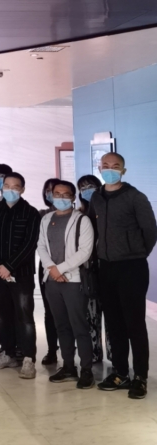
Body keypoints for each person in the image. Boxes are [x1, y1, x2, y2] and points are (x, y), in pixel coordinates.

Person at [91, 153, 156, 399]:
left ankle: (140, 376)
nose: (110, 170)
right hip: (106, 267)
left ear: (123, 171)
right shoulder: (97, 197)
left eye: (115, 166)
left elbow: (150, 231)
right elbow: (94, 229)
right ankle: (120, 372)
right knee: (114, 323)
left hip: (132, 267)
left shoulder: (135, 197)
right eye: (105, 166)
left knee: (134, 323)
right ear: (99, 168)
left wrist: (136, 252)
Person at [36, 181, 96, 389]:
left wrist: (60, 269)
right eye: (57, 193)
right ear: (51, 195)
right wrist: (52, 268)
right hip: (52, 281)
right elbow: (41, 246)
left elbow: (85, 251)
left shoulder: (82, 220)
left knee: (79, 326)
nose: (61, 197)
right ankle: (69, 366)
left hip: (73, 280)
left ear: (73, 197)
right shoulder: (46, 219)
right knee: (61, 325)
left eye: (65, 194)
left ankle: (86, 370)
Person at [0, 172, 41, 379]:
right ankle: (7, 353)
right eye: (7, 185)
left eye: (15, 186)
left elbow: (30, 243)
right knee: (4, 315)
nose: (10, 189)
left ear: (22, 189)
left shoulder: (31, 212)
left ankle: (28, 358)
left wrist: (9, 266)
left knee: (25, 316)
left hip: (22, 275)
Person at [76, 174, 108, 363]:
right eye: (82, 188)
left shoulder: (107, 211)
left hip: (109, 270)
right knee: (91, 316)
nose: (87, 190)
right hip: (88, 273)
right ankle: (94, 353)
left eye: (90, 186)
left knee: (112, 316)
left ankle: (115, 354)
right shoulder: (79, 215)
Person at [38, 178, 62, 366]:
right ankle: (52, 350)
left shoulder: (76, 215)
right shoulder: (41, 215)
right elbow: (38, 244)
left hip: (70, 267)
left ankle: (70, 349)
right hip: (46, 267)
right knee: (50, 311)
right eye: (48, 190)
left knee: (70, 311)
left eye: (54, 190)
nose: (51, 193)